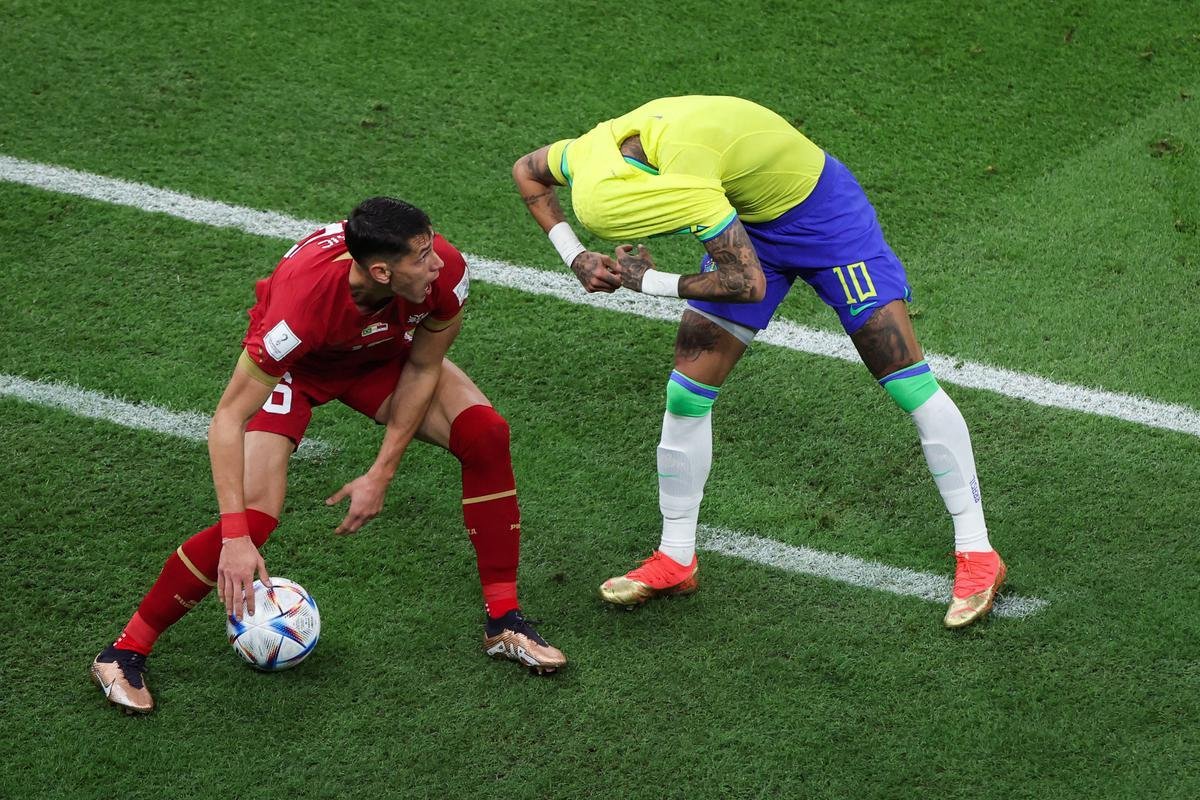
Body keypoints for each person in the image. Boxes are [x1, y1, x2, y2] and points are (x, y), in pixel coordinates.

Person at [512, 96, 1004, 629]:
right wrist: (577, 254)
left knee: (905, 380)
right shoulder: (591, 153)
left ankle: (979, 553)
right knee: (686, 391)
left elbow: (746, 285)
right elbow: (527, 173)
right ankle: (676, 557)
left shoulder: (693, 176)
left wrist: (643, 280)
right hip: (746, 222)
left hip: (825, 221)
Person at [91, 197, 565, 714]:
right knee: (254, 518)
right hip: (299, 368)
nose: (438, 262)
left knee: (486, 434)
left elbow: (425, 367)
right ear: (381, 271)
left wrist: (381, 472)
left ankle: (504, 620)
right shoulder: (300, 310)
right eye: (422, 256)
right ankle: (123, 651)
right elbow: (227, 419)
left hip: (378, 355)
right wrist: (234, 537)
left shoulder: (445, 275)